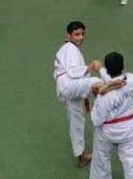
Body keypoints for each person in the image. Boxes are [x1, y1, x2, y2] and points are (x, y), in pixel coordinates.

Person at [53, 21, 103, 168]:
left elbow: (77, 75)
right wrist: (90, 67)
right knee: (96, 81)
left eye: (82, 34)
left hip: (67, 89)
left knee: (76, 121)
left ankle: (81, 157)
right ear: (68, 35)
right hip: (68, 85)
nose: (80, 37)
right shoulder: (69, 48)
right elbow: (73, 71)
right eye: (76, 34)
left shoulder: (71, 49)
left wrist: (85, 96)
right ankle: (110, 111)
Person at [89, 52, 133, 179]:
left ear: (108, 69)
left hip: (108, 132)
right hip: (130, 129)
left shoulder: (103, 97)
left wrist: (97, 96)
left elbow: (96, 120)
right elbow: (116, 81)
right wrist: (100, 71)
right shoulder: (131, 79)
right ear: (122, 67)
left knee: (100, 161)